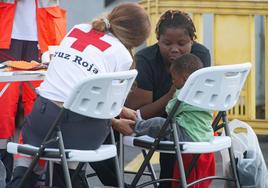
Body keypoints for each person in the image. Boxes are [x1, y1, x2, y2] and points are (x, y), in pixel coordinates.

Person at [6, 2, 151, 188]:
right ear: (136, 40)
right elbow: (105, 111)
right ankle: (67, 177)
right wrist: (116, 121)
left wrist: (119, 111)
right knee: (75, 145)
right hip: (78, 132)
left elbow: (72, 89)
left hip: (41, 120)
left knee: (38, 141)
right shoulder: (123, 56)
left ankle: (23, 176)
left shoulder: (78, 29)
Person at [126, 10, 215, 188]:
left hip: (188, 124)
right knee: (168, 126)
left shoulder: (200, 55)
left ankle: (172, 183)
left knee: (174, 129)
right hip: (158, 122)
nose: (174, 49)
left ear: (192, 41)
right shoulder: (146, 60)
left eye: (182, 43)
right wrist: (170, 95)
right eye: (167, 43)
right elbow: (139, 114)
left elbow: (200, 101)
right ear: (157, 40)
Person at [0, 0, 66, 183]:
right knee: (2, 107)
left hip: (45, 35)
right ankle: (4, 171)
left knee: (41, 106)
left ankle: (36, 176)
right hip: (5, 31)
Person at [134, 53, 214, 143]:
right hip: (206, 136)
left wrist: (172, 94)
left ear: (185, 79)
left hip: (186, 135)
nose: (173, 82)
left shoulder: (184, 93)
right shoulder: (207, 92)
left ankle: (135, 126)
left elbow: (170, 110)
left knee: (159, 123)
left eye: (174, 79)